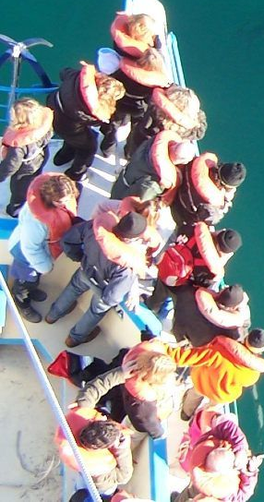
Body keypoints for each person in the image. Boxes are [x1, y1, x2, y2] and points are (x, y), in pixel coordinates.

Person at [45, 211, 151, 347]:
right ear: (135, 238)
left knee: (73, 288)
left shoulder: (96, 229)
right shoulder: (128, 264)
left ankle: (52, 315)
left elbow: (68, 240)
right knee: (96, 311)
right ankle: (74, 338)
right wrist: (104, 298)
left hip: (85, 270)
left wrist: (78, 257)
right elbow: (112, 297)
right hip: (103, 286)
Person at [6, 173, 79, 322]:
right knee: (26, 280)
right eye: (62, 201)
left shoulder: (52, 206)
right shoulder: (37, 222)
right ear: (52, 199)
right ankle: (21, 300)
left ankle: (31, 289)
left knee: (34, 278)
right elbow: (30, 248)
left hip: (40, 250)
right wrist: (45, 266)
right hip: (24, 254)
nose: (66, 203)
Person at [74, 343, 178, 439]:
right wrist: (159, 433)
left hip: (119, 391)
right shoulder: (142, 406)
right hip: (128, 409)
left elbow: (93, 388)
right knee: (133, 430)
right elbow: (146, 424)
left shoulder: (128, 360)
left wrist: (119, 373)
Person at [165, 328, 264, 421]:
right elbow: (245, 384)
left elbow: (187, 357)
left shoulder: (218, 348)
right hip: (221, 395)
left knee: (193, 395)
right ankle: (198, 422)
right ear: (262, 349)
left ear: (247, 337)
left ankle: (186, 414)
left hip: (202, 382)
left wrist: (164, 349)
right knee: (211, 409)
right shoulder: (253, 373)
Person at [47, 62, 127, 181]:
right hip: (68, 127)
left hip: (52, 108)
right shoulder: (92, 112)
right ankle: (76, 174)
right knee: (88, 147)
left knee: (71, 141)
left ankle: (61, 158)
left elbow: (63, 72)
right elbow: (96, 123)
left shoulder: (76, 77)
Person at [176, 409, 263, 502]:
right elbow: (246, 491)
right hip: (197, 489)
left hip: (195, 488)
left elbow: (226, 426)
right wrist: (250, 470)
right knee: (186, 495)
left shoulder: (200, 457)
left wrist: (240, 448)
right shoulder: (229, 496)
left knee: (185, 495)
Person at [102, 49, 171, 157]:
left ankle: (107, 150)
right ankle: (128, 153)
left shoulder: (125, 72)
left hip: (121, 105)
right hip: (139, 110)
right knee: (134, 131)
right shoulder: (155, 84)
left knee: (114, 126)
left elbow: (114, 80)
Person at [55, 405, 133, 496]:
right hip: (101, 483)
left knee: (81, 483)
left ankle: (78, 489)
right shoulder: (100, 466)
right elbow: (124, 476)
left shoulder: (68, 439)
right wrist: (122, 449)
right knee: (105, 492)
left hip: (82, 472)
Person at [1, 97, 54, 216]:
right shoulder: (43, 126)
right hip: (40, 158)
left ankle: (15, 211)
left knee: (19, 190)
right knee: (34, 178)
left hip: (25, 169)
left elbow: (11, 165)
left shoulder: (19, 145)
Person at [109, 129, 196, 202]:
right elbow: (140, 199)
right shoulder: (156, 180)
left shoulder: (153, 143)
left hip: (123, 178)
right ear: (181, 161)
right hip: (121, 197)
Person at [124, 84, 206, 158]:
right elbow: (200, 128)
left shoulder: (154, 106)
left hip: (139, 139)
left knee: (131, 149)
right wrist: (183, 117)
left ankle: (127, 154)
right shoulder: (189, 131)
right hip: (154, 152)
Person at [171, 154, 246, 228]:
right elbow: (212, 220)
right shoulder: (214, 204)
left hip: (175, 188)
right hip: (179, 212)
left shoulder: (199, 163)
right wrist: (226, 199)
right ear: (229, 186)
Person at [174, 283, 252, 347]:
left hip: (177, 330)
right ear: (235, 307)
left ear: (220, 293)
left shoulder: (191, 293)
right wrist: (243, 312)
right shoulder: (233, 332)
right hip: (191, 346)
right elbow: (243, 331)